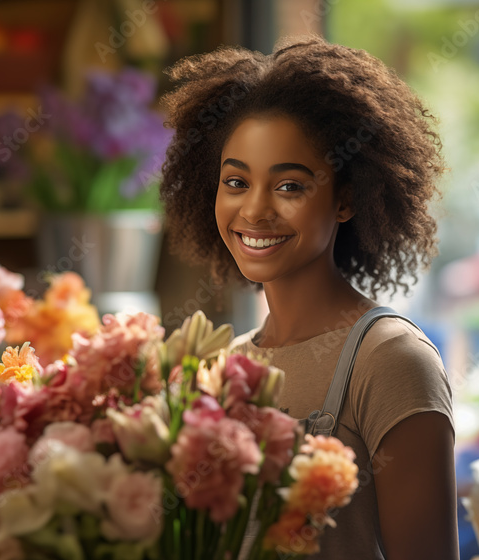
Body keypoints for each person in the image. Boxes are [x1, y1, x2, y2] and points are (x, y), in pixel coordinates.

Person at [159, 35, 457, 560]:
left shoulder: (391, 361)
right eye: (235, 182)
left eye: (290, 186)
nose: (253, 211)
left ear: (346, 198)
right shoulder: (222, 364)